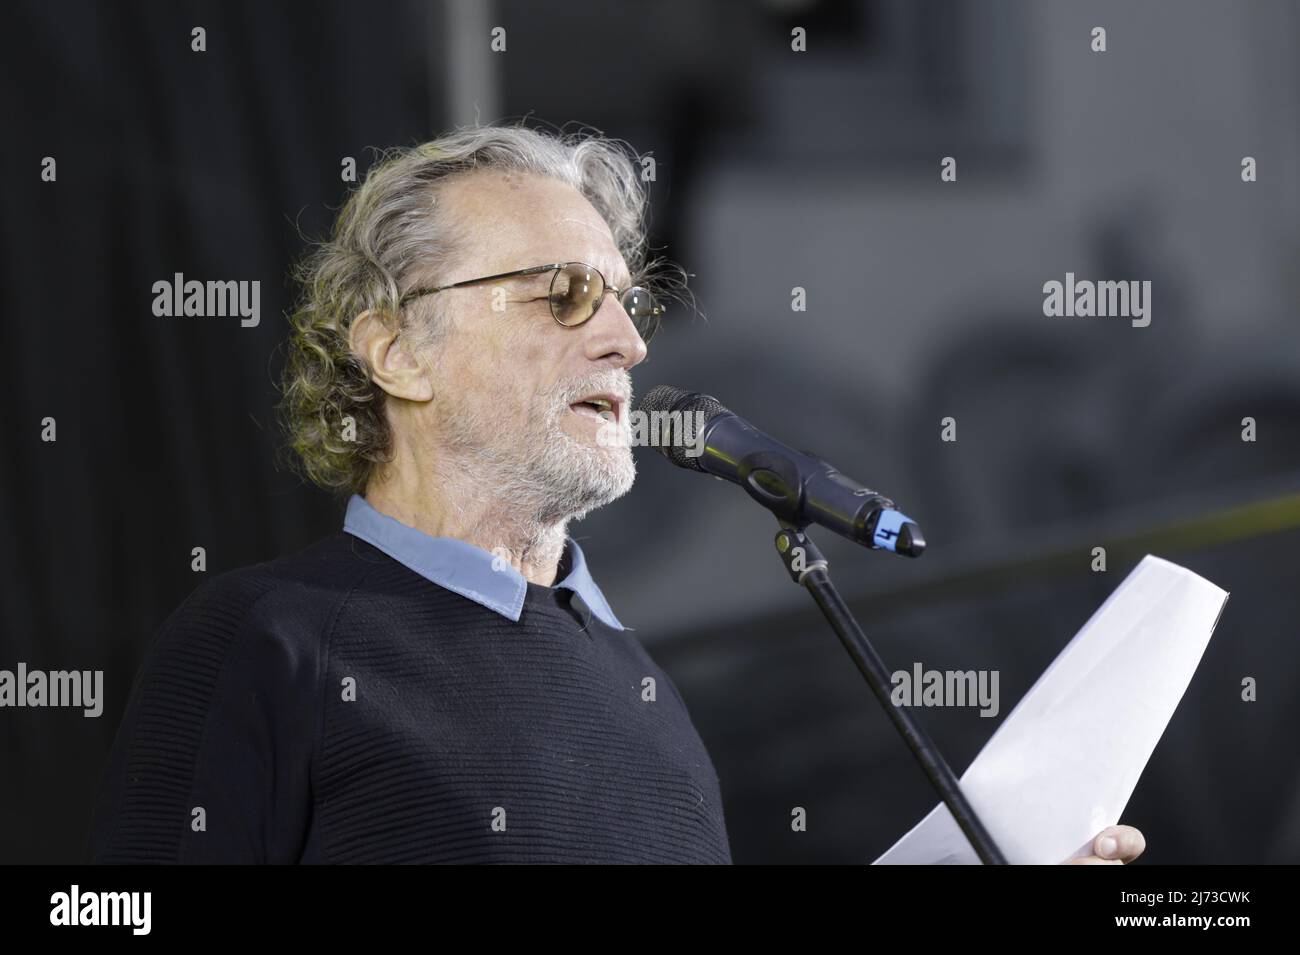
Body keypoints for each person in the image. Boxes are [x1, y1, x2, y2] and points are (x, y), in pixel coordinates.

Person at [86, 123, 1144, 865]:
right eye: (563, 295)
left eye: (628, 301)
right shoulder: (264, 640)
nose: (629, 340)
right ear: (399, 351)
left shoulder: (640, 686)